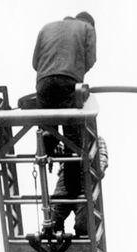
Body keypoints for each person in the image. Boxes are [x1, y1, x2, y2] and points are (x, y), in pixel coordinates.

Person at [32, 13, 96, 160]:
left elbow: (35, 63)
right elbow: (91, 59)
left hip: (44, 83)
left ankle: (47, 151)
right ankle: (71, 179)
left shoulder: (46, 27)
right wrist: (74, 71)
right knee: (72, 142)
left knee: (48, 133)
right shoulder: (88, 28)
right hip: (69, 82)